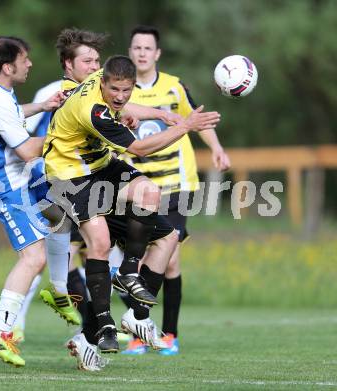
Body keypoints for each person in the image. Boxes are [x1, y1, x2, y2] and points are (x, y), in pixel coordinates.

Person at [42, 55, 221, 369]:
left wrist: (161, 114)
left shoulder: (108, 77)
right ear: (103, 83)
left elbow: (126, 107)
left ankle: (134, 304)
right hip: (69, 174)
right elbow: (140, 149)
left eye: (126, 89)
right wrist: (185, 125)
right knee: (98, 242)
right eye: (115, 90)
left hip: (99, 166)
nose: (120, 96)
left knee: (165, 230)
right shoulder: (93, 110)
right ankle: (100, 329)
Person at [118, 25, 231, 356]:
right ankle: (142, 330)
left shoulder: (174, 86)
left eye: (147, 48)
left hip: (177, 183)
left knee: (169, 257)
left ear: (157, 54)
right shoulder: (122, 91)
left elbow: (197, 120)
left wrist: (217, 148)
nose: (141, 53)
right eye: (136, 47)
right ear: (130, 52)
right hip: (139, 185)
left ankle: (167, 334)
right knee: (140, 259)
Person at [0, 36, 71, 367]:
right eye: (24, 59)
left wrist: (43, 106)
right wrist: (70, 134)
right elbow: (26, 150)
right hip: (4, 186)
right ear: (7, 67)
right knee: (32, 256)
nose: (30, 64)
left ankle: (59, 290)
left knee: (65, 209)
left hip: (22, 176)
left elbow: (10, 115)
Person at [12, 28, 109, 341]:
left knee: (79, 255)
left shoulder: (100, 93)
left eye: (97, 60)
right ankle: (16, 325)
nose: (95, 67)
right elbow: (21, 135)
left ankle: (89, 329)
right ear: (68, 65)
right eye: (88, 61)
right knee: (44, 258)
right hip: (48, 181)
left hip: (84, 181)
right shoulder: (55, 93)